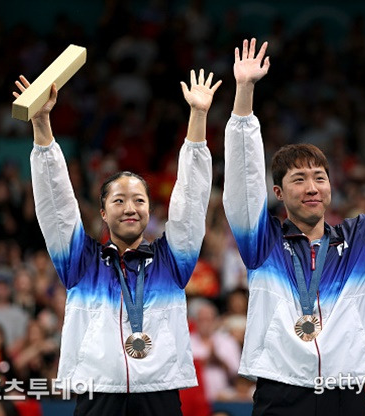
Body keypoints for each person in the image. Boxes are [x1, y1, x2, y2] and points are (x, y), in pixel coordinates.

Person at [223, 38, 365, 415]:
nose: (312, 187)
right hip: (281, 394)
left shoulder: (362, 240)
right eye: (299, 179)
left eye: (320, 177)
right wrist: (245, 94)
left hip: (346, 393)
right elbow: (241, 183)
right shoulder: (262, 242)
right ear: (279, 192)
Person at [12, 68, 221, 415]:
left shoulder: (172, 262)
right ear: (103, 213)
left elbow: (192, 202)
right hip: (99, 392)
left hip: (160, 391)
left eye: (139, 200)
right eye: (119, 200)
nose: (130, 208)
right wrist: (42, 124)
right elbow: (56, 205)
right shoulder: (81, 262)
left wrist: (198, 116)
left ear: (150, 210)